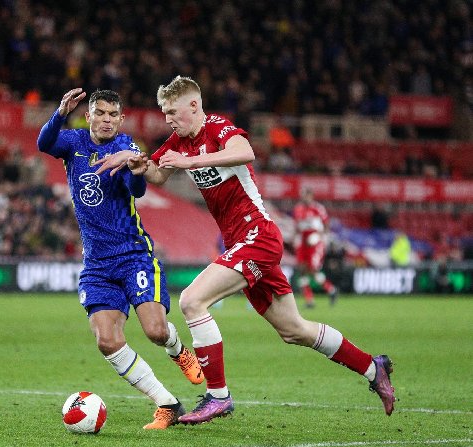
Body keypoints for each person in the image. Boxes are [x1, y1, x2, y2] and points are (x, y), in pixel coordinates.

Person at [95, 76, 395, 424]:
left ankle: (218, 397)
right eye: (165, 114)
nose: (168, 120)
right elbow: (159, 174)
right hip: (243, 243)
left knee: (192, 301)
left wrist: (192, 163)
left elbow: (245, 152)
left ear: (194, 105)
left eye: (173, 112)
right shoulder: (179, 140)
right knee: (294, 330)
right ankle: (374, 369)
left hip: (258, 236)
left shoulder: (220, 128)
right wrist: (134, 160)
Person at [37, 88, 204, 430]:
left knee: (156, 331)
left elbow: (138, 190)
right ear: (90, 115)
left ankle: (177, 349)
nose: (107, 120)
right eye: (100, 113)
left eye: (113, 115)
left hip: (133, 257)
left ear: (121, 119)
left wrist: (137, 168)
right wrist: (59, 113)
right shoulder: (73, 142)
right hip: (97, 265)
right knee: (107, 340)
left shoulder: (126, 149)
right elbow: (44, 144)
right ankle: (167, 403)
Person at [293, 187, 338, 308]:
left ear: (311, 196)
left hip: (315, 243)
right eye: (303, 195)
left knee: (313, 270)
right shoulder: (298, 209)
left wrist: (320, 237)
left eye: (307, 195)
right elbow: (297, 226)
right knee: (302, 269)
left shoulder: (318, 208)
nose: (305, 198)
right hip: (303, 242)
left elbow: (326, 225)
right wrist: (295, 239)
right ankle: (309, 300)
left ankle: (331, 290)